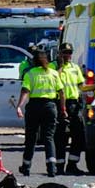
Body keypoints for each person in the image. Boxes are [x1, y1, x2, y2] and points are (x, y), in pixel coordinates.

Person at [17, 42, 61, 177]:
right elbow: (62, 92)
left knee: (31, 137)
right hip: (50, 106)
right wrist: (63, 108)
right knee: (49, 137)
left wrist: (19, 106)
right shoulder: (53, 73)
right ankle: (52, 167)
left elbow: (25, 91)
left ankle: (26, 166)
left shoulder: (30, 74)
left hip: (34, 106)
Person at [54, 42, 86, 175]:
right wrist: (60, 66)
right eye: (64, 53)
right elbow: (54, 78)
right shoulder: (52, 66)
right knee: (61, 136)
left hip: (74, 104)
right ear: (59, 53)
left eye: (69, 53)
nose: (67, 55)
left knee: (79, 135)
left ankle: (72, 164)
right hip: (59, 103)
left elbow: (82, 86)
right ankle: (59, 165)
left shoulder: (75, 68)